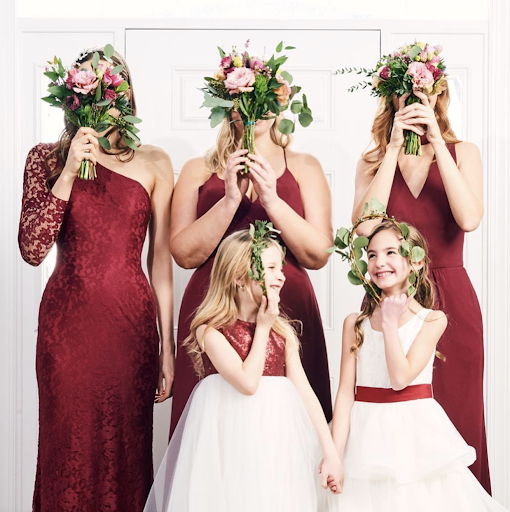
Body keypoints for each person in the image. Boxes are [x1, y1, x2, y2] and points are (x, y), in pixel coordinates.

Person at [18, 47, 174, 511]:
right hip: (67, 330)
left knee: (126, 450)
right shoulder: (44, 159)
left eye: (111, 89)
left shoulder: (154, 162)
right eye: (89, 89)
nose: (103, 101)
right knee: (66, 444)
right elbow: (31, 250)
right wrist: (68, 171)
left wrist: (166, 346)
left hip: (131, 331)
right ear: (71, 97)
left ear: (125, 95)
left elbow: (160, 262)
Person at [351, 85, 490, 492]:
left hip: (452, 297)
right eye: (404, 94)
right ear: (390, 99)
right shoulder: (372, 161)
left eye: (423, 93)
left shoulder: (464, 152)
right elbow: (363, 230)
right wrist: (392, 150)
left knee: (458, 418)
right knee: (389, 416)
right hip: (389, 302)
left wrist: (437, 142)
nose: (413, 101)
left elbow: (469, 217)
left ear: (438, 96)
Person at [145, 228, 342, 512]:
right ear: (239, 277)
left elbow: (306, 393)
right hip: (229, 438)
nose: (282, 276)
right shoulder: (210, 331)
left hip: (276, 437)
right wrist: (262, 327)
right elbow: (248, 383)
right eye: (271, 268)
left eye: (281, 268)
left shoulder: (283, 332)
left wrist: (330, 452)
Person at [169, 110, 333, 435]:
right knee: (213, 427)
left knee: (290, 424)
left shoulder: (305, 166)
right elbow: (184, 255)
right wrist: (230, 201)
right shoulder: (196, 170)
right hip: (215, 306)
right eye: (243, 100)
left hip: (286, 304)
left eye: (265, 100)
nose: (255, 110)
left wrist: (271, 199)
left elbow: (318, 255)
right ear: (227, 103)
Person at [325, 220, 506, 510]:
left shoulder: (432, 320)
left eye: (390, 253)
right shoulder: (354, 323)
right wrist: (334, 454)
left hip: (412, 434)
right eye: (371, 254)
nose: (379, 262)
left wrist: (388, 322)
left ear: (415, 263)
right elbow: (346, 393)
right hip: (363, 435)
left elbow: (400, 379)